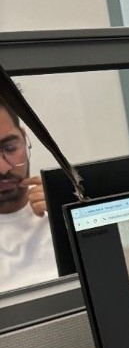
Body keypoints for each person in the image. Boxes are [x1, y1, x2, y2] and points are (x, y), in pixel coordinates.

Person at [0, 99, 55, 291]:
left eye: (10, 148)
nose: (4, 167)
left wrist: (75, 219)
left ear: (24, 139)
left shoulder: (60, 208)